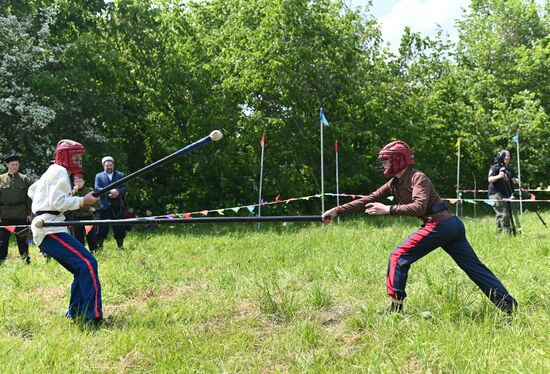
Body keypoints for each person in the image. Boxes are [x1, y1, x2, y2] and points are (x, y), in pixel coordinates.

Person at [322, 141, 518, 315]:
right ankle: (509, 306)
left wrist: (388, 209)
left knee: (398, 256)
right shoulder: (394, 183)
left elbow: (419, 206)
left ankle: (395, 309)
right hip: (449, 225)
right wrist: (336, 211)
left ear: (398, 160)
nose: (384, 165)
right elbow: (368, 199)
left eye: (386, 161)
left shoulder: (418, 178)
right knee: (474, 268)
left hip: (442, 225)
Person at [27, 140, 102, 325]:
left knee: (81, 268)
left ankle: (76, 313)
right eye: (75, 156)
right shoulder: (59, 171)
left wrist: (59, 198)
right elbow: (57, 204)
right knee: (88, 263)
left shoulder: (50, 171)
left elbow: (32, 190)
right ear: (65, 156)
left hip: (49, 227)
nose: (78, 160)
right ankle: (94, 316)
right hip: (50, 228)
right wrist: (82, 200)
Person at [0, 155, 33, 264]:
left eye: (16, 165)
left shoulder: (25, 179)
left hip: (21, 213)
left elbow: (29, 198)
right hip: (4, 214)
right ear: (7, 165)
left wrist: (29, 213)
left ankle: (25, 260)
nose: (14, 167)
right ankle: (1, 261)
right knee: (2, 240)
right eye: (12, 164)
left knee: (22, 239)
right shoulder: (1, 178)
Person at [95, 156, 127, 249]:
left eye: (110, 165)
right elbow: (97, 188)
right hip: (104, 205)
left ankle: (120, 246)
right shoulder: (99, 176)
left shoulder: (120, 175)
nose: (109, 167)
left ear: (113, 165)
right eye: (107, 165)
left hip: (117, 205)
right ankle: (99, 247)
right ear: (103, 166)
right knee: (101, 227)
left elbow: (124, 187)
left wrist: (118, 192)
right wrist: (110, 191)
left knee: (119, 226)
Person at [488, 150, 521, 235]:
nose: (507, 157)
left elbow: (516, 179)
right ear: (501, 157)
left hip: (507, 194)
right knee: (504, 213)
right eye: (505, 155)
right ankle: (508, 234)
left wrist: (516, 181)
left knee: (503, 214)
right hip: (495, 193)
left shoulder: (509, 169)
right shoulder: (495, 167)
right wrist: (499, 176)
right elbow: (490, 179)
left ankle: (498, 233)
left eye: (508, 156)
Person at [66, 172, 98, 252]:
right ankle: (81, 252)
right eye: (76, 181)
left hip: (87, 217)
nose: (78, 183)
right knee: (78, 237)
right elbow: (68, 203)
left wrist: (93, 208)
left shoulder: (89, 191)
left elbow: (96, 202)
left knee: (90, 235)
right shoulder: (70, 193)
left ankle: (94, 252)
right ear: (73, 182)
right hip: (76, 217)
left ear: (84, 182)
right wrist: (74, 192)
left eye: (80, 181)